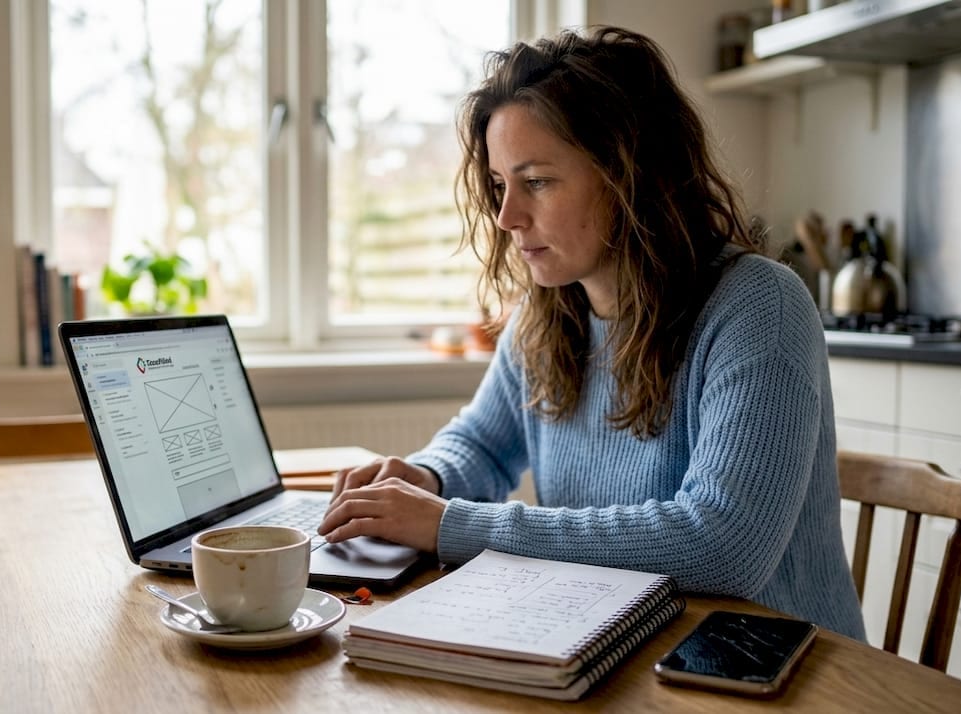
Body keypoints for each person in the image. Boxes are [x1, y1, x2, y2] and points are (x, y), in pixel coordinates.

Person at [316, 26, 867, 640]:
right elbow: (482, 443)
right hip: (618, 639)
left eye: (538, 181)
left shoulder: (760, 306)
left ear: (631, 174)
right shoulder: (549, 312)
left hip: (776, 666)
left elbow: (722, 545)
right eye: (500, 185)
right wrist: (425, 479)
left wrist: (449, 524)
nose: (506, 217)